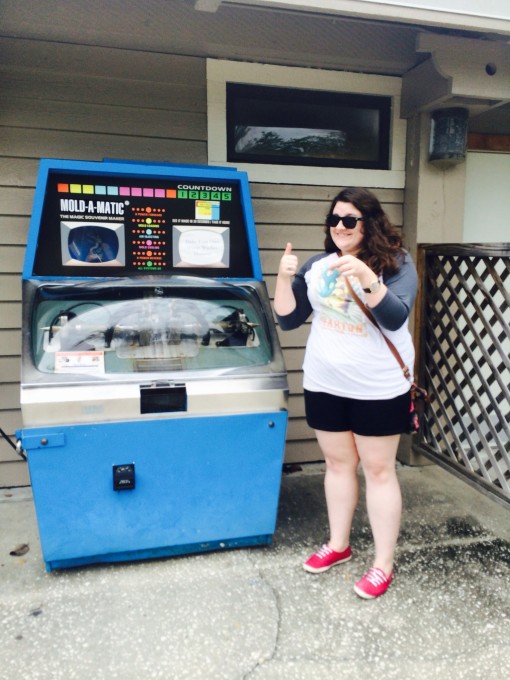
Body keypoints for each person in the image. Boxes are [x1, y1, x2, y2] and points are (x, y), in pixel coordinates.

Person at [274, 187, 418, 599]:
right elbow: (288, 319)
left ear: (368, 223)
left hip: (377, 387)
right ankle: (339, 545)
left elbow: (394, 319)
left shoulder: (398, 264)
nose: (339, 227)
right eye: (334, 219)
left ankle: (382, 564)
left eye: (349, 220)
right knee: (337, 465)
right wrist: (285, 277)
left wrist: (369, 279)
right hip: (325, 382)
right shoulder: (320, 265)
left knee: (378, 470)